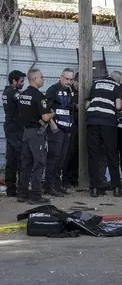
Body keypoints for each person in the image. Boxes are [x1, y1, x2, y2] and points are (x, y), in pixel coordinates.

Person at [18, 69, 54, 204]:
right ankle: (36, 195)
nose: (43, 80)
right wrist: (52, 114)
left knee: (26, 163)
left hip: (26, 132)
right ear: (34, 79)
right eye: (41, 77)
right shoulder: (39, 96)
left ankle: (22, 193)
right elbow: (45, 117)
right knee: (39, 163)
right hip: (36, 133)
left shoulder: (23, 94)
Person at [87, 71, 122, 197]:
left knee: (93, 155)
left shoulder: (96, 83)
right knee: (112, 154)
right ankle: (116, 188)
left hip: (92, 120)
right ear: (119, 81)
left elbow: (89, 101)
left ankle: (94, 188)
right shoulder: (116, 86)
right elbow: (118, 106)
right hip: (108, 122)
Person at [43, 68, 75, 197]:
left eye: (71, 79)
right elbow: (46, 107)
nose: (68, 81)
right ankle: (48, 186)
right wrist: (52, 124)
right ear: (61, 77)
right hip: (56, 129)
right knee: (53, 157)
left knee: (62, 157)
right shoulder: (53, 89)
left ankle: (57, 184)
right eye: (66, 79)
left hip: (67, 128)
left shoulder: (70, 91)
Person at [2, 70, 25, 197]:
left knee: (11, 159)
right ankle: (21, 189)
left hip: (10, 129)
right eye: (21, 81)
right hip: (15, 130)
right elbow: (24, 105)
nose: (23, 83)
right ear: (14, 81)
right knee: (21, 159)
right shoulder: (13, 93)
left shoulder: (6, 91)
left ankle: (11, 189)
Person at [62, 72, 80, 188]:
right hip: (69, 125)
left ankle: (74, 178)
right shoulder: (68, 92)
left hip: (80, 126)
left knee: (77, 153)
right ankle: (66, 179)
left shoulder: (82, 93)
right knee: (69, 153)